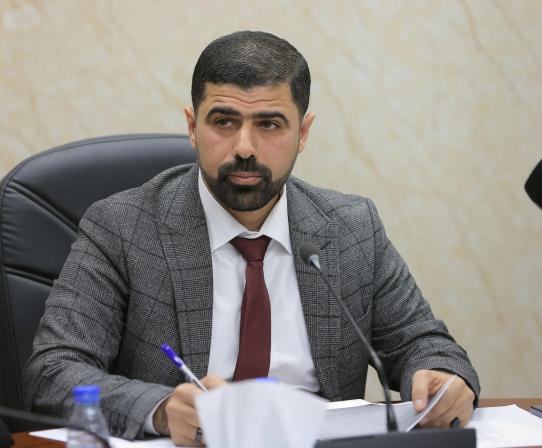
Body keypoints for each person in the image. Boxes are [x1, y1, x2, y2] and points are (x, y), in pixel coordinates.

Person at [23, 30, 480, 445]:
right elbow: (53, 371)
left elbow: (423, 343)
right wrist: (160, 410)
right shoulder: (122, 228)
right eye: (224, 121)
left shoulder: (351, 229)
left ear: (303, 133)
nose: (244, 147)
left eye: (269, 124)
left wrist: (442, 377)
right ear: (192, 126)